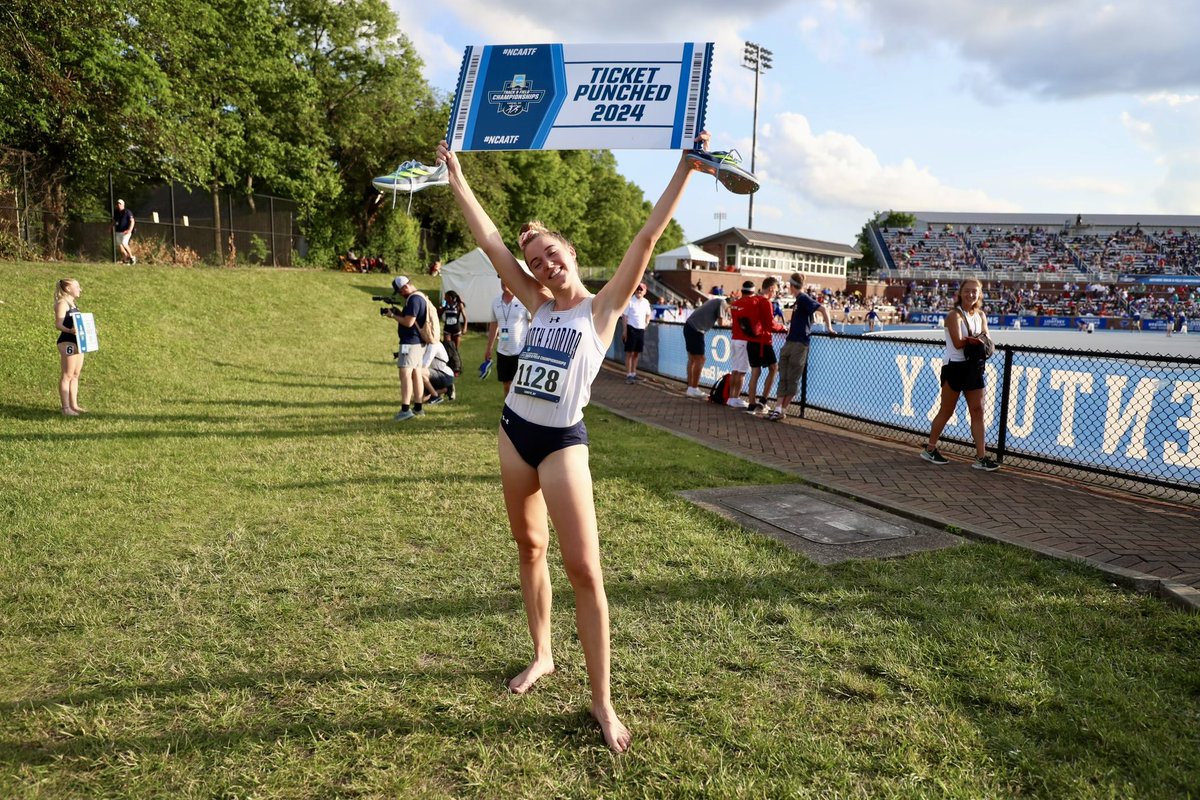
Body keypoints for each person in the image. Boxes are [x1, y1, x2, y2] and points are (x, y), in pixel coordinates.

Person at [435, 132, 707, 753]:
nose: (542, 265)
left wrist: (686, 170)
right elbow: (489, 242)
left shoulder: (603, 307)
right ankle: (543, 656)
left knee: (584, 569)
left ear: (571, 251)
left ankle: (602, 702)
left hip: (561, 441)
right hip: (514, 432)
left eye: (551, 253)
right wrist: (456, 175)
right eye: (534, 260)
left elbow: (646, 239)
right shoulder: (534, 304)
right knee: (529, 547)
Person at [921, 278, 999, 471]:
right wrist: (975, 340)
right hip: (955, 367)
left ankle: (981, 457)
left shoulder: (981, 315)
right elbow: (957, 343)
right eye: (967, 291)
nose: (971, 294)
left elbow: (988, 340)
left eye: (975, 291)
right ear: (960, 293)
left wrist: (977, 341)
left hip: (973, 368)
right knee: (947, 410)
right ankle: (930, 449)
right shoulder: (953, 315)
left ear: (979, 294)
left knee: (978, 411)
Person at [768, 274, 834, 421]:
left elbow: (823, 309)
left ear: (792, 286)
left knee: (792, 378)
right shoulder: (799, 300)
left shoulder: (803, 298)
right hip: (791, 342)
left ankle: (781, 409)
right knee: (785, 376)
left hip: (799, 343)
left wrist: (829, 328)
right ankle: (779, 409)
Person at [732, 278, 786, 415]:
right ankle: (763, 401)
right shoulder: (765, 302)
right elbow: (771, 325)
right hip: (763, 341)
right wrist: (783, 328)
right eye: (776, 290)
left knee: (755, 372)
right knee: (774, 368)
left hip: (751, 341)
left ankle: (751, 405)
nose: (775, 293)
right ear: (771, 289)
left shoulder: (752, 300)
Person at [382, 275, 429, 422]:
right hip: (417, 343)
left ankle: (405, 409)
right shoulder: (419, 297)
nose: (401, 295)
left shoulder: (414, 299)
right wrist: (399, 312)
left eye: (401, 291)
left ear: (404, 288)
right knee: (416, 373)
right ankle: (418, 407)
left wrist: (392, 316)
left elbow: (409, 322)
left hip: (410, 343)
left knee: (405, 374)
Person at [484, 283, 530, 396]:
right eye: (502, 280)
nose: (504, 283)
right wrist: (489, 348)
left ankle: (520, 410)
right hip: (503, 351)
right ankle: (508, 410)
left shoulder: (523, 300)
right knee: (506, 385)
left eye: (507, 280)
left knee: (520, 385)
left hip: (521, 350)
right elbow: (494, 325)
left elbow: (532, 322)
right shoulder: (496, 302)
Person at [53, 278, 87, 416]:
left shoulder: (73, 304)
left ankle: (74, 405)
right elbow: (58, 324)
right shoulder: (62, 303)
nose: (80, 289)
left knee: (75, 374)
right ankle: (65, 408)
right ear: (68, 289)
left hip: (78, 342)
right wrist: (70, 330)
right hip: (67, 342)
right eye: (77, 286)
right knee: (67, 374)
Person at [683, 296, 727, 398]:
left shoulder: (715, 302)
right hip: (696, 330)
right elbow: (721, 323)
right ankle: (693, 388)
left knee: (692, 359)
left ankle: (690, 388)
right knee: (701, 359)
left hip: (689, 327)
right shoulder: (722, 302)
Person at [623, 283, 651, 383]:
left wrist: (646, 323)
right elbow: (625, 316)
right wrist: (625, 330)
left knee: (636, 353)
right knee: (629, 352)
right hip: (631, 328)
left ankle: (633, 373)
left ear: (644, 291)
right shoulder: (630, 301)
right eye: (637, 289)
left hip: (640, 329)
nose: (639, 291)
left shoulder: (646, 302)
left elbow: (648, 314)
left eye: (641, 289)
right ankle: (628, 374)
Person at [110, 199, 136, 264]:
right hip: (118, 231)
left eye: (120, 204)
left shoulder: (127, 212)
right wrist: (110, 227)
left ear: (123, 205)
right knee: (120, 245)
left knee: (124, 243)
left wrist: (129, 230)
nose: (119, 205)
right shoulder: (116, 212)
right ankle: (125, 260)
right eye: (118, 203)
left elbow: (132, 221)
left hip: (126, 232)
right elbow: (114, 221)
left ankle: (132, 257)